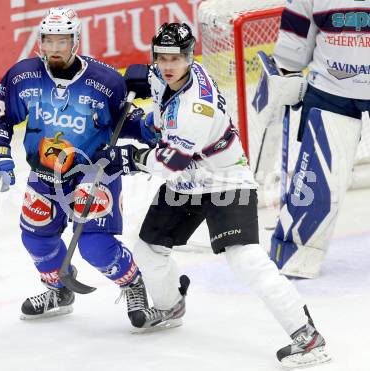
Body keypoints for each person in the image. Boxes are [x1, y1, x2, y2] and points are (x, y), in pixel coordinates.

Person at [94, 22, 331, 368]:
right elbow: (154, 80)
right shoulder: (167, 73)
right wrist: (140, 76)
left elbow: (169, 163)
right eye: (161, 58)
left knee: (245, 259)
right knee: (149, 247)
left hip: (224, 181)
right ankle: (171, 304)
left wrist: (128, 158)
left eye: (176, 58)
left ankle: (307, 336)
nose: (168, 65)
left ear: (190, 58)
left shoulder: (195, 109)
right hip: (190, 181)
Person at [0, 7, 155, 325]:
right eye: (49, 41)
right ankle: (59, 291)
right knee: (36, 238)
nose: (55, 48)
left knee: (95, 245)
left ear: (75, 42)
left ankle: (134, 286)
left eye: (62, 41)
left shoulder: (105, 82)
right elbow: (0, 114)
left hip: (94, 174)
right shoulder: (24, 75)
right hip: (44, 175)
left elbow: (127, 124)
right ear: (40, 42)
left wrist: (156, 113)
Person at [261, 1, 370, 278]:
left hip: (330, 88)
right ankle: (295, 253)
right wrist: (286, 72)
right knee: (317, 182)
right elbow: (293, 44)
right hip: (329, 91)